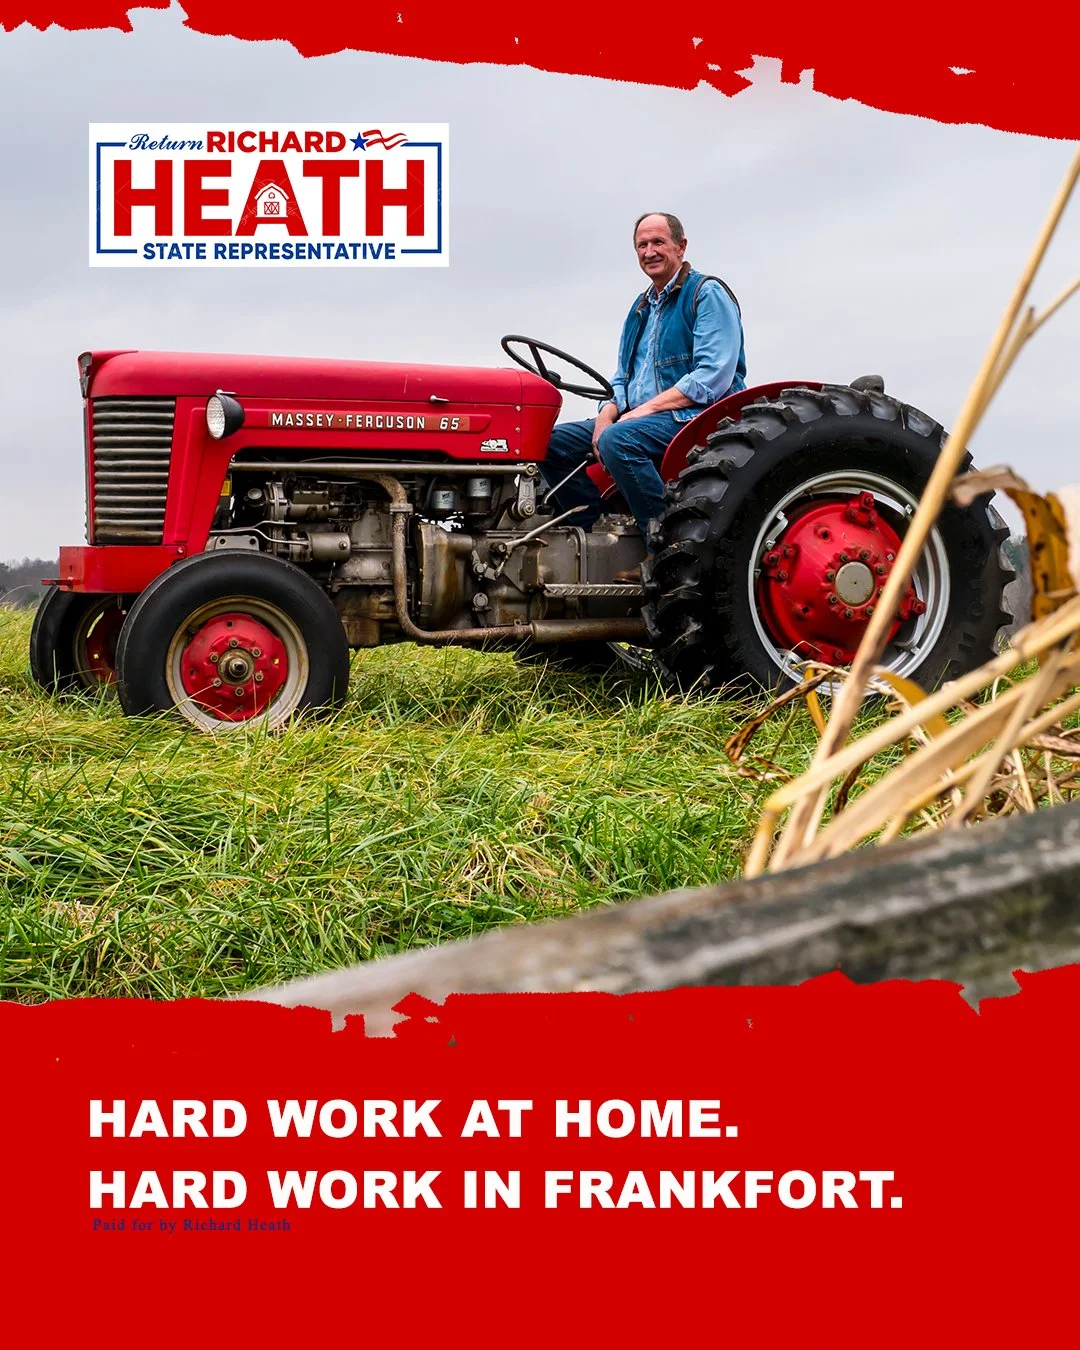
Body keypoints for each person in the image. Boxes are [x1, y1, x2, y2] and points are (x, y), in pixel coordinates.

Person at [541, 211, 747, 558]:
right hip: (639, 416)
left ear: (680, 247)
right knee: (546, 443)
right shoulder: (641, 308)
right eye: (642, 245)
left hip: (696, 415)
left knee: (619, 440)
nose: (649, 251)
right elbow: (622, 377)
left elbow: (713, 374)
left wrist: (642, 411)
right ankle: (595, 537)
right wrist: (607, 414)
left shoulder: (705, 293)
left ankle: (668, 544)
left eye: (658, 242)